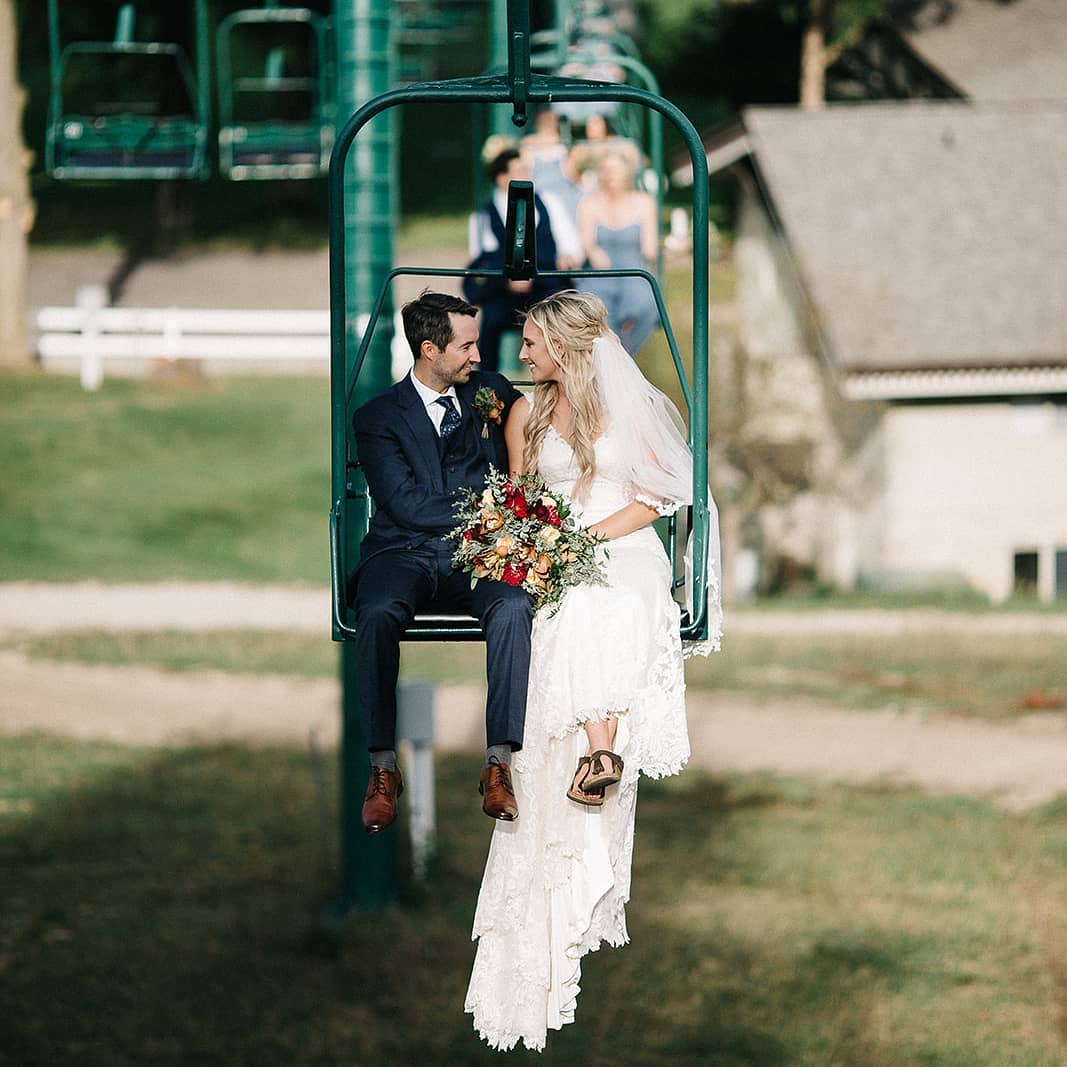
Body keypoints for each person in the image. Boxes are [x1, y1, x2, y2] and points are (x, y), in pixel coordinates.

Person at [464, 290, 722, 1052]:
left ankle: (601, 745)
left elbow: (654, 496)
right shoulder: (527, 414)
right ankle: (595, 748)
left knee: (604, 598)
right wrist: (535, 544)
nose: (523, 354)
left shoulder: (626, 405)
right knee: (565, 608)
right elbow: (520, 499)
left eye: (534, 343)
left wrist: (584, 542)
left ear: (568, 346)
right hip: (560, 549)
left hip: (621, 544)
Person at [349, 291, 532, 833]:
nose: (478, 356)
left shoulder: (491, 392)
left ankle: (499, 761)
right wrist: (490, 505)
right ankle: (383, 767)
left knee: (514, 604)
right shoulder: (378, 417)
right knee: (378, 610)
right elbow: (405, 504)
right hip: (401, 551)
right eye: (467, 346)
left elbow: (542, 413)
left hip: (475, 554)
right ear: (430, 349)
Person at [462, 147, 580, 372]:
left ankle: (561, 376)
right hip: (503, 292)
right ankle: (487, 386)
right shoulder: (483, 216)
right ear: (502, 177)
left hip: (544, 287)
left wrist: (568, 257)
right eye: (521, 170)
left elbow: (570, 245)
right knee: (489, 324)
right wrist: (509, 278)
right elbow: (482, 259)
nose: (528, 175)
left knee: (558, 319)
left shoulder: (548, 203)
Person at [575, 149, 661, 355]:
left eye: (615, 169)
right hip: (601, 273)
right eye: (605, 169)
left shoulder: (644, 202)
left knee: (646, 307)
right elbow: (586, 242)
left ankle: (623, 360)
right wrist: (593, 251)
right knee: (598, 313)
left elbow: (650, 248)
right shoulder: (589, 204)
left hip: (633, 272)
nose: (610, 174)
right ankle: (612, 362)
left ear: (627, 172)